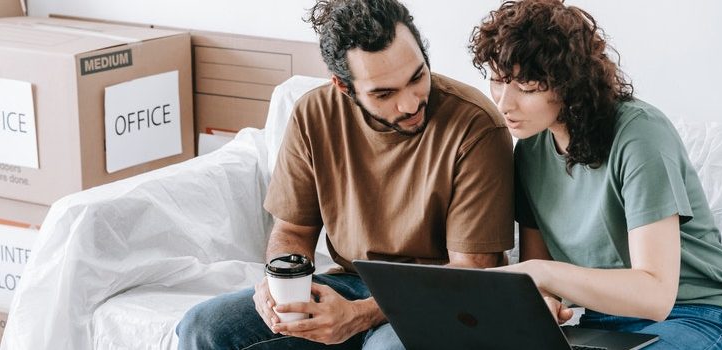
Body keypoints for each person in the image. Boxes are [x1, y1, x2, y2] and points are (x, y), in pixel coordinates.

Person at [176, 0, 516, 349]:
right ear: (343, 86)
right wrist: (279, 283)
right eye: (384, 93)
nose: (411, 103)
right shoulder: (313, 115)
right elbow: (293, 231)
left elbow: (472, 270)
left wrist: (362, 314)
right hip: (350, 283)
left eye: (417, 76)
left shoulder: (475, 126)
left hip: (438, 299)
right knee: (202, 327)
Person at [469, 0, 722, 349]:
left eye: (528, 88)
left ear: (569, 83)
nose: (504, 104)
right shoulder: (530, 150)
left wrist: (543, 274)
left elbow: (656, 295)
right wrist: (542, 300)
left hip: (700, 314)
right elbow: (539, 276)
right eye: (499, 81)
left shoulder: (639, 134)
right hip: (603, 322)